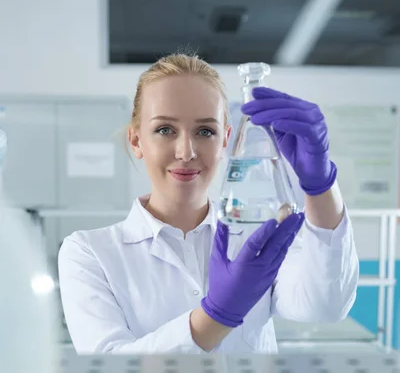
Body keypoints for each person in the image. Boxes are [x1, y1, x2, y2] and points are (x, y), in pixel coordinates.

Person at [58, 52, 359, 355]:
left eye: (205, 131)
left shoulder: (258, 232)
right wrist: (217, 315)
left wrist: (320, 185)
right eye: (165, 129)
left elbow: (324, 305)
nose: (186, 151)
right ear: (137, 141)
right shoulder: (89, 253)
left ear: (225, 140)